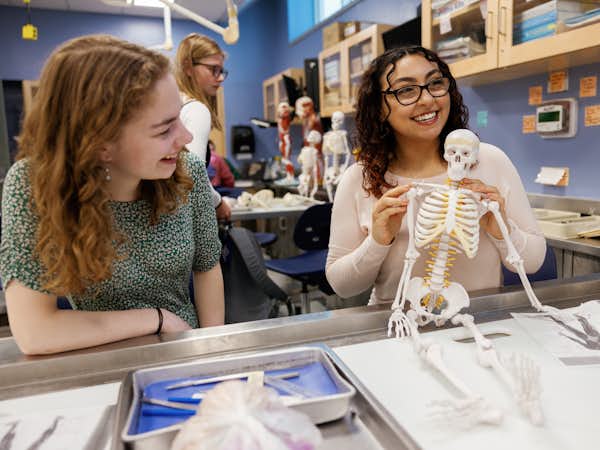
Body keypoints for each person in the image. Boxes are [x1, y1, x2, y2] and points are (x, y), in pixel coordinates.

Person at [0, 35, 225, 355]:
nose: (186, 137)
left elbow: (207, 266)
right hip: (94, 354)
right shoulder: (32, 186)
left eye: (179, 117)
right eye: (164, 129)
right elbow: (35, 332)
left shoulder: (186, 171)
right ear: (99, 143)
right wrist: (156, 319)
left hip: (182, 347)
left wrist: (213, 351)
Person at [326, 46, 546, 305]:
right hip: (397, 326)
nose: (428, 99)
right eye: (406, 90)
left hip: (480, 324)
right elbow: (342, 286)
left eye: (435, 83)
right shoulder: (359, 179)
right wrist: (377, 241)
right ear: (379, 108)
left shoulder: (490, 161)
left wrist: (503, 230)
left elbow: (532, 262)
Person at [175, 33, 231, 221]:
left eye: (221, 70)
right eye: (213, 69)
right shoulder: (196, 110)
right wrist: (218, 202)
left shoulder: (173, 104)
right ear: (188, 67)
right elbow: (193, 174)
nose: (220, 77)